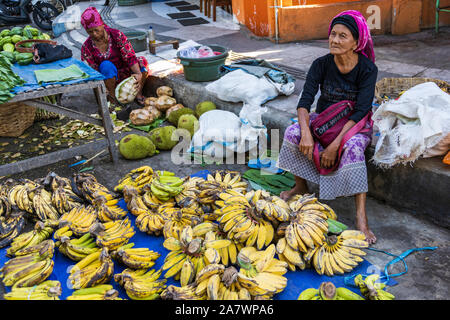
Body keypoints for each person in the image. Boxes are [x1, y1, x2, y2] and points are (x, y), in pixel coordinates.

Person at [277, 10, 378, 244]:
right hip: (325, 120)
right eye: (333, 34)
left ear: (356, 42)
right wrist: (305, 133)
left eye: (343, 36)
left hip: (354, 125)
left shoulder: (367, 69)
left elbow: (362, 110)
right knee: (292, 132)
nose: (334, 40)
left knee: (353, 147)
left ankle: (361, 217)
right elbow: (304, 103)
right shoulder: (321, 64)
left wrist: (334, 144)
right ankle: (300, 187)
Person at [80, 7, 148, 107]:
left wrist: (138, 73)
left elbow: (129, 56)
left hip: (126, 75)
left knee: (142, 61)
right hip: (107, 81)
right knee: (106, 65)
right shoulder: (87, 47)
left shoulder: (116, 35)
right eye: (90, 32)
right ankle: (112, 100)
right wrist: (101, 86)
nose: (94, 34)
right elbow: (92, 72)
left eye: (96, 30)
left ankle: (137, 94)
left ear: (102, 24)